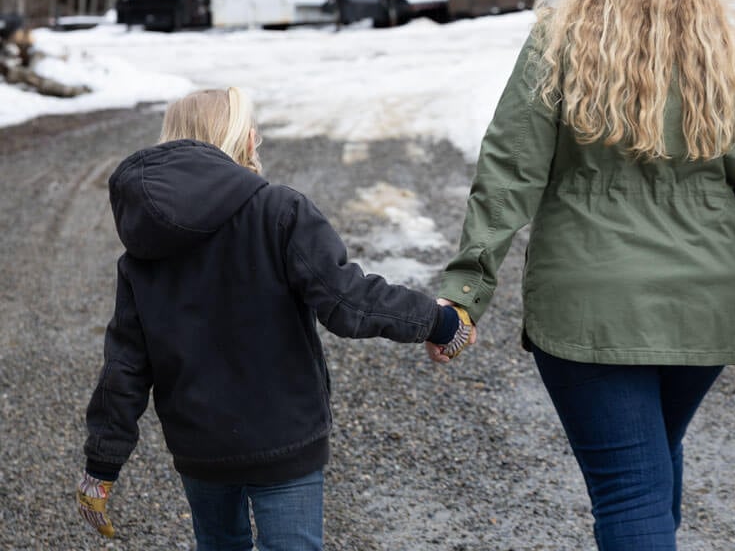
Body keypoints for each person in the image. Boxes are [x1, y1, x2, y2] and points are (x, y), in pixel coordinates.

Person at [430, 0, 735, 550]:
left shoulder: (559, 48)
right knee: (650, 466)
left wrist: (466, 289)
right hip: (702, 304)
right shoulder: (732, 60)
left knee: (631, 489)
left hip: (588, 305)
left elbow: (509, 171)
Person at [76, 86, 472, 549]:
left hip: (200, 447)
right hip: (285, 436)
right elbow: (347, 300)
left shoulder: (144, 241)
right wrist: (441, 322)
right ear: (240, 138)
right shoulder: (279, 210)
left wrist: (100, 468)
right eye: (250, 125)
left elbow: (125, 365)